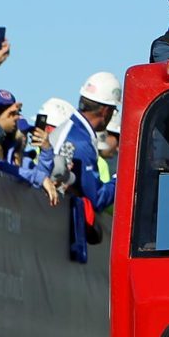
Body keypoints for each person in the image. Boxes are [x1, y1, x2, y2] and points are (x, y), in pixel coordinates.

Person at [53, 72, 120, 262]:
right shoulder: (81, 140)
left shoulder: (74, 130)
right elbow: (96, 198)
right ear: (106, 111)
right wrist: (123, 177)